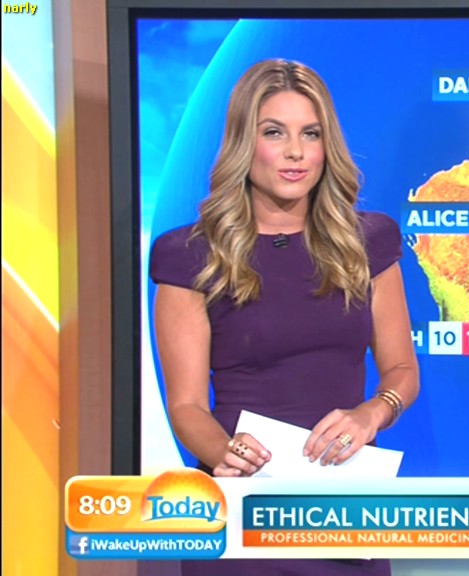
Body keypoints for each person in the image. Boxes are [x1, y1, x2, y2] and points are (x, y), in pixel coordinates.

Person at [149, 59, 419, 576]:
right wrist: (226, 452)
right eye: (274, 132)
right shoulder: (189, 255)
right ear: (244, 143)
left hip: (343, 515)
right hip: (242, 508)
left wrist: (372, 414)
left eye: (310, 134)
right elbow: (186, 405)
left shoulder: (369, 242)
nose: (296, 151)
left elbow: (402, 371)